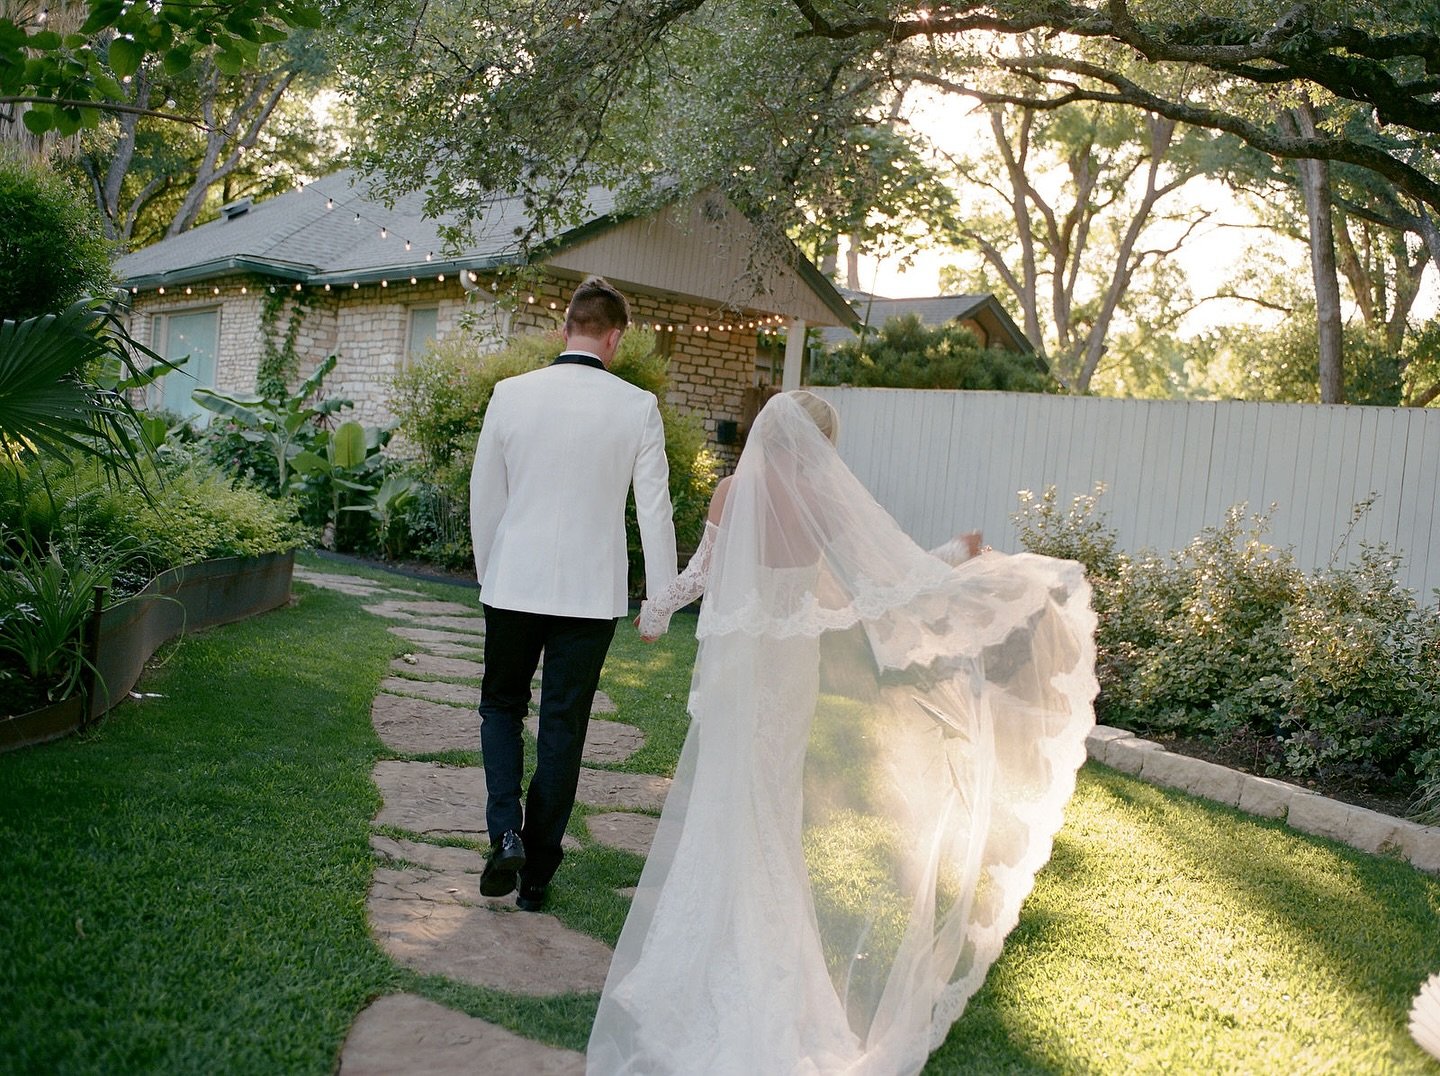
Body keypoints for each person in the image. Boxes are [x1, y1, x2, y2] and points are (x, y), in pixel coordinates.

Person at [587, 390, 1098, 1074]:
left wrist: (654, 613)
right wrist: (957, 555)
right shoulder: (822, 501)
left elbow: (701, 577)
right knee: (771, 808)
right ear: (820, 445)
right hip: (786, 676)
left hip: (739, 674)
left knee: (726, 803)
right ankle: (761, 952)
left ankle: (698, 953)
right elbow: (886, 579)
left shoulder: (733, 491)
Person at [469, 276, 676, 913]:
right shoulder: (638, 406)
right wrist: (661, 598)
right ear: (615, 338)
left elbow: (486, 496)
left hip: (514, 582)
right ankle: (536, 875)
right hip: (591, 595)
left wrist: (490, 572)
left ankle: (506, 832)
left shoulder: (510, 394)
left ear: (566, 329)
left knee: (501, 706)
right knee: (565, 727)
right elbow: (655, 510)